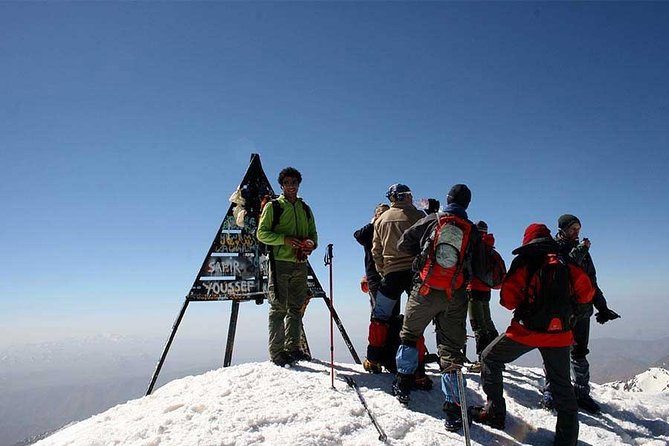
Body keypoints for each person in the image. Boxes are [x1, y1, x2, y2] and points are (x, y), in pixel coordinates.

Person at [469, 223, 595, 446]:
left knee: (490, 357)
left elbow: (508, 301)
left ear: (527, 239)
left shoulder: (525, 260)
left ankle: (494, 413)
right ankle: (567, 440)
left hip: (526, 332)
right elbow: (586, 294)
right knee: (562, 385)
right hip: (560, 335)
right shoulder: (565, 261)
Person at [393, 184, 488, 432]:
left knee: (410, 336)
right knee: (451, 351)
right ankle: (453, 411)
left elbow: (403, 244)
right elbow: (480, 268)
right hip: (455, 296)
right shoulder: (472, 232)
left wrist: (423, 256)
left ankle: (403, 386)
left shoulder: (433, 220)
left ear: (447, 199)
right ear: (467, 204)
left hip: (424, 290)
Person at [541, 214, 621, 414]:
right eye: (572, 229)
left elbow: (590, 281)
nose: (577, 232)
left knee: (579, 352)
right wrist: (581, 249)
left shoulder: (582, 251)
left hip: (583, 311)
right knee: (555, 351)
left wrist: (602, 307)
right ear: (562, 229)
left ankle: (581, 393)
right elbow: (563, 268)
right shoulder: (554, 248)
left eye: (578, 228)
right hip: (562, 312)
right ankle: (550, 392)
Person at [257, 167, 318, 367]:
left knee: (295, 307)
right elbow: (262, 234)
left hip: (300, 263)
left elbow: (313, 235)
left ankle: (293, 349)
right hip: (280, 262)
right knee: (278, 307)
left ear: (299, 184)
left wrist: (310, 245)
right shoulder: (274, 207)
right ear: (281, 185)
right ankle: (277, 352)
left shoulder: (305, 208)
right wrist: (284, 239)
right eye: (287, 183)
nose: (291, 186)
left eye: (294, 182)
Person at [364, 184, 424, 374]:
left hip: (391, 274)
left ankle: (373, 358)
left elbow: (376, 251)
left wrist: (384, 270)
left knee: (380, 317)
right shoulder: (418, 217)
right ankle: (418, 368)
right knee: (415, 320)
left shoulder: (381, 220)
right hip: (415, 273)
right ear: (403, 196)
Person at [466, 220, 501, 372]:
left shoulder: (473, 246)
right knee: (487, 321)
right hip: (486, 289)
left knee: (477, 325)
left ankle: (483, 360)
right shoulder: (490, 247)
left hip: (472, 289)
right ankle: (497, 357)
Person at [354, 203, 390, 309]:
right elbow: (358, 236)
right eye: (381, 214)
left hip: (391, 273)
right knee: (377, 307)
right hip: (374, 274)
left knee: (392, 307)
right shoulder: (370, 231)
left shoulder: (391, 230)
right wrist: (371, 224)